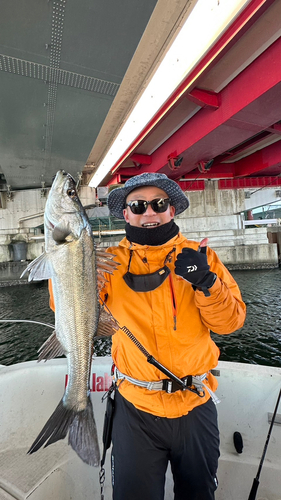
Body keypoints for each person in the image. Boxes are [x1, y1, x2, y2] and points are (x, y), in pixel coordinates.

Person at [100, 172, 246, 500]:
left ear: (172, 210)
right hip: (135, 408)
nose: (149, 212)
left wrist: (207, 283)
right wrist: (67, 262)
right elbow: (69, 307)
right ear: (126, 214)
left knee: (199, 494)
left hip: (195, 404)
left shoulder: (201, 256)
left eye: (158, 204)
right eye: (138, 205)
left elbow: (231, 322)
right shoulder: (106, 264)